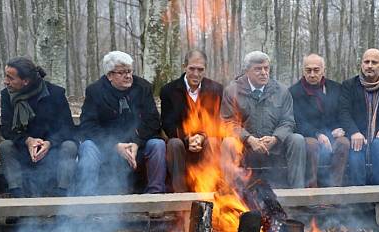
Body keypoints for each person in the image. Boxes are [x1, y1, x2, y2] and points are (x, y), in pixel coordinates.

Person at [76, 51, 166, 195]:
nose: (128, 76)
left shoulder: (143, 87)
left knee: (158, 145)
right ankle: (88, 199)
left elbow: (153, 121)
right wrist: (114, 145)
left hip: (138, 145)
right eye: (122, 72)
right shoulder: (95, 91)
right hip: (106, 146)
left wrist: (137, 142)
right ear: (109, 75)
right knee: (87, 147)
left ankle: (155, 195)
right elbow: (88, 126)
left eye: (129, 71)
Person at [220, 51, 306, 188]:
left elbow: (288, 121)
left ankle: (298, 194)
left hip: (275, 145)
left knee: (297, 139)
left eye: (266, 68)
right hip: (245, 146)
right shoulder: (232, 91)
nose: (264, 72)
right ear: (247, 71)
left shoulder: (282, 91)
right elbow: (228, 122)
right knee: (228, 142)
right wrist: (249, 139)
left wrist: (275, 138)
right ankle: (230, 195)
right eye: (258, 69)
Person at [0, 56, 77, 197]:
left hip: (53, 150)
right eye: (6, 76)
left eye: (10, 78)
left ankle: (61, 197)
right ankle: (18, 198)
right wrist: (28, 141)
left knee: (70, 146)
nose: (6, 82)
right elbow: (7, 129)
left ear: (25, 81)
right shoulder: (7, 96)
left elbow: (67, 128)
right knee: (5, 146)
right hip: (23, 148)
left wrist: (49, 143)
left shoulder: (56, 93)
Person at [160, 49, 224, 192]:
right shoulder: (168, 90)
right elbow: (168, 124)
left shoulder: (216, 89)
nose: (196, 74)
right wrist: (187, 138)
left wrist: (202, 136)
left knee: (213, 142)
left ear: (205, 69)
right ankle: (180, 195)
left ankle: (208, 191)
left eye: (200, 69)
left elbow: (218, 121)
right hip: (181, 139)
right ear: (184, 67)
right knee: (174, 144)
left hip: (206, 138)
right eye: (192, 69)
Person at [339, 48, 379, 185]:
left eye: (374, 62)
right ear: (361, 64)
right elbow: (343, 112)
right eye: (366, 62)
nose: (370, 65)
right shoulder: (349, 85)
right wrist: (354, 132)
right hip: (358, 135)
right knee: (356, 151)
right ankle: (360, 200)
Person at [289, 54, 350, 187]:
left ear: (323, 70)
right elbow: (297, 121)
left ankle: (334, 191)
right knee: (311, 145)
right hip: (310, 135)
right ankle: (313, 192)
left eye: (316, 70)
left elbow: (342, 113)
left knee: (344, 143)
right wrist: (318, 134)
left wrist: (339, 129)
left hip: (333, 135)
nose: (312, 74)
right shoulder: (294, 92)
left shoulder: (336, 88)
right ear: (303, 71)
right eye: (308, 70)